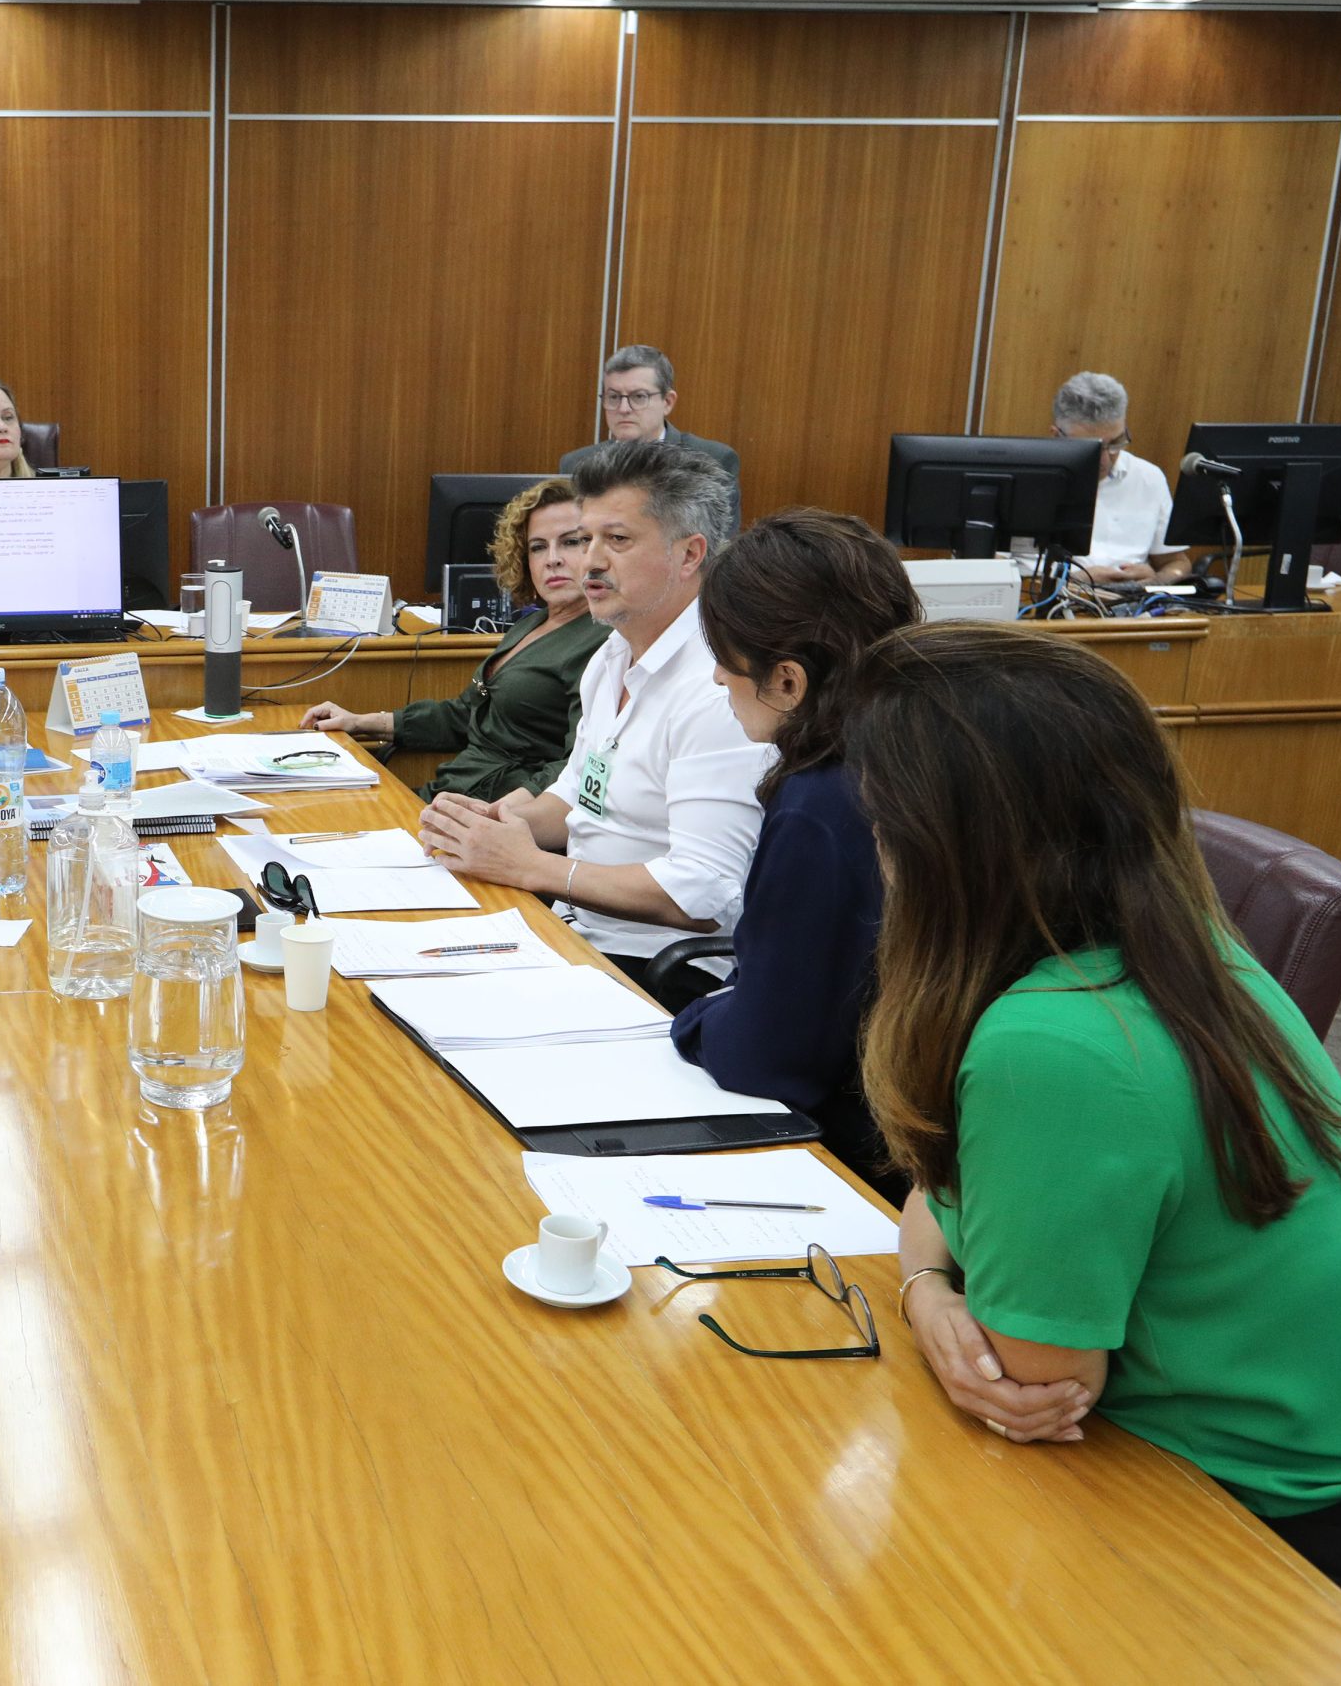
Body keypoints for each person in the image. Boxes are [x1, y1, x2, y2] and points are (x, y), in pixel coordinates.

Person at [853, 624, 1341, 1620]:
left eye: (882, 827)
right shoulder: (1191, 958)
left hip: (1249, 1538)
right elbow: (942, 1177)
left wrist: (925, 1292)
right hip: (1322, 1468)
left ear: (947, 850)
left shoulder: (1048, 1046)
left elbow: (1030, 1384)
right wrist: (931, 1257)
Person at [418, 439, 768, 1007]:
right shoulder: (611, 656)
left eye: (618, 540)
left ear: (689, 555)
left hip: (662, 972)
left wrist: (531, 866)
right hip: (575, 933)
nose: (590, 562)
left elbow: (705, 894)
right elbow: (579, 795)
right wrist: (500, 821)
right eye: (588, 540)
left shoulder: (718, 687)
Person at [667, 508, 920, 1193]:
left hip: (864, 1161)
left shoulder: (822, 802)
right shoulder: (927, 747)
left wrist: (692, 1019)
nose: (718, 678)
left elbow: (766, 1058)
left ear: (787, 681)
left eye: (724, 655)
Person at [300, 477, 606, 801]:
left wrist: (505, 813)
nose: (552, 558)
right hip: (447, 796)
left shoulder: (603, 642)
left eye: (571, 542)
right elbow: (464, 715)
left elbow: (577, 766)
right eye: (538, 546)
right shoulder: (532, 623)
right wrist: (360, 722)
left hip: (491, 814)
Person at [1050, 371, 1183, 583]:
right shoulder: (1024, 480)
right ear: (1057, 436)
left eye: (1115, 443)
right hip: (1045, 605)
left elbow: (1175, 562)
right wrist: (1069, 583)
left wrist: (1154, 581)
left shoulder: (1148, 478)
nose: (1105, 459)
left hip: (1129, 607)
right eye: (1090, 448)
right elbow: (991, 568)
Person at [558, 344, 740, 492]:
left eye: (638, 397)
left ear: (667, 402)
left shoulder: (712, 460)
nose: (623, 409)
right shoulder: (576, 465)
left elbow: (721, 536)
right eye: (613, 397)